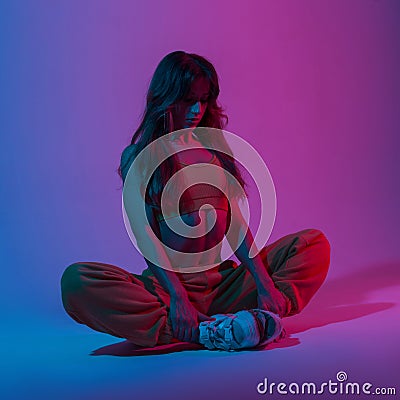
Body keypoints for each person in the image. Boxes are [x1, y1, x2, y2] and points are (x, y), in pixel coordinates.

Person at [60, 51, 331, 351]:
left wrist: (265, 284)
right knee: (76, 282)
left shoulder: (214, 150)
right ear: (166, 97)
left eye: (204, 99)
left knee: (313, 245)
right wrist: (177, 298)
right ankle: (207, 329)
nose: (197, 109)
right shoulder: (138, 157)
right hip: (167, 290)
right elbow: (144, 235)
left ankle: (255, 315)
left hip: (224, 285)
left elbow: (236, 227)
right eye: (188, 99)